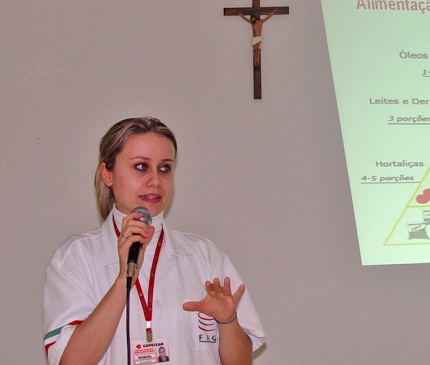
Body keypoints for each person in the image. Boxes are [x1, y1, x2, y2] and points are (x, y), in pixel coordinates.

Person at [43, 117, 266, 365]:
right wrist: (123, 281)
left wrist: (227, 320)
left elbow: (240, 362)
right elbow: (70, 361)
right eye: (141, 167)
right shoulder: (75, 256)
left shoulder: (205, 256)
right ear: (107, 173)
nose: (155, 181)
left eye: (164, 168)